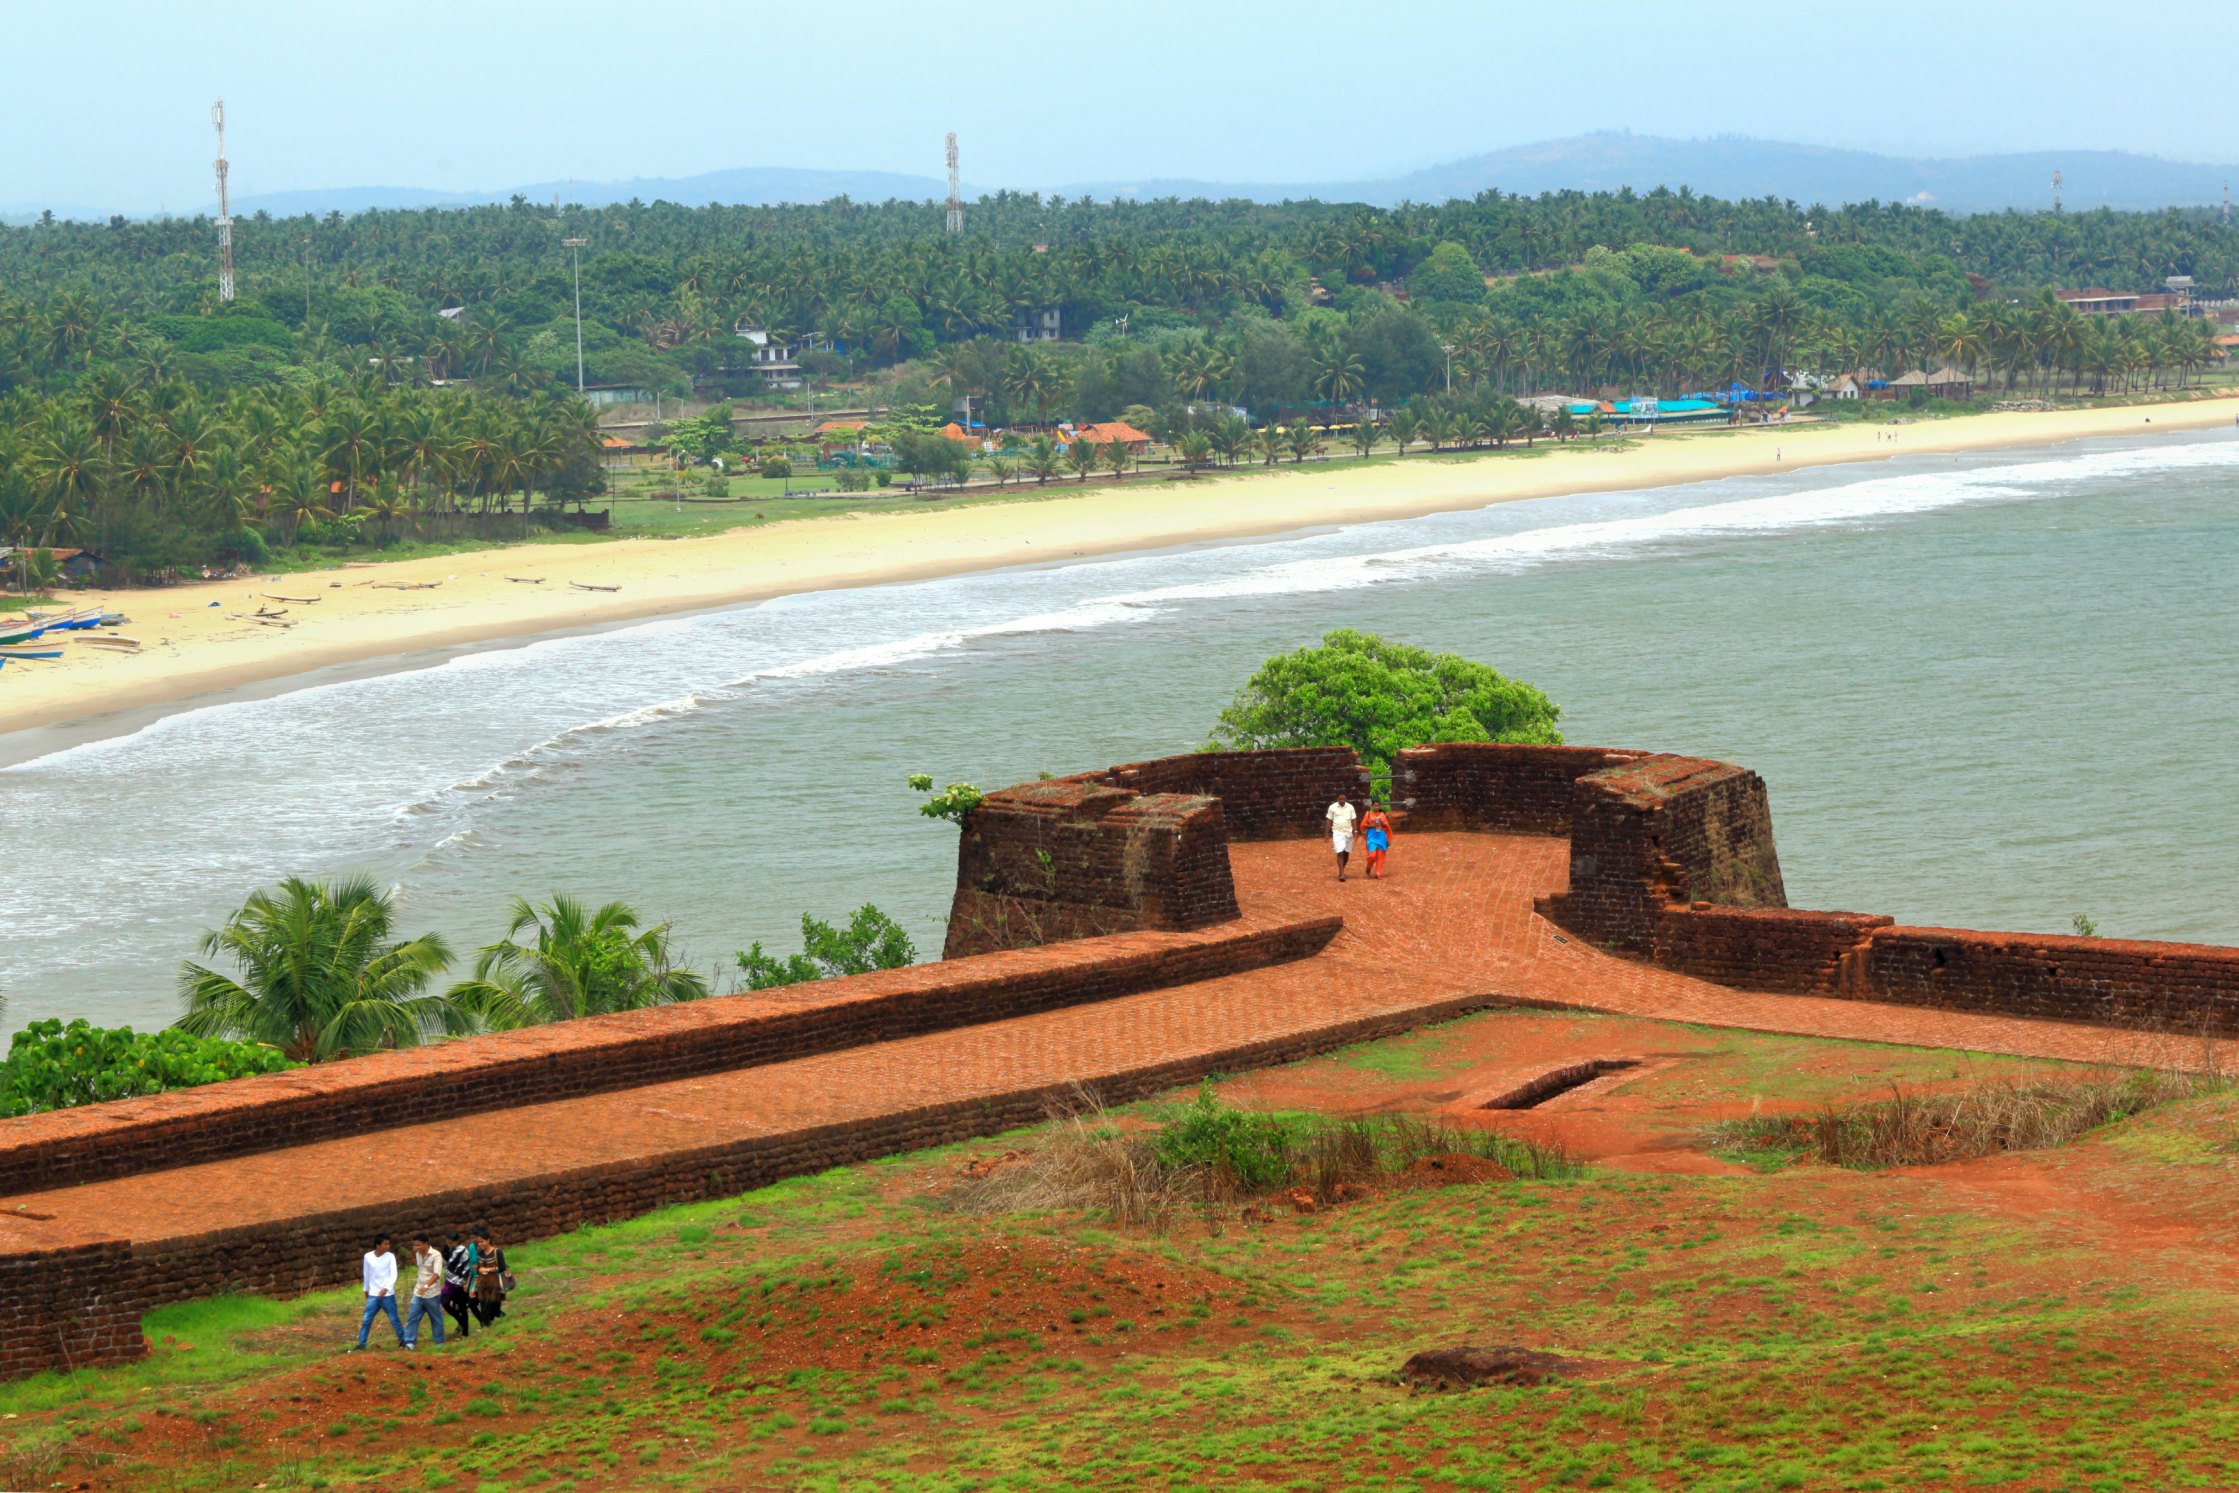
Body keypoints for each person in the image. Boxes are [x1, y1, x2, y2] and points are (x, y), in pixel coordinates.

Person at [353, 1236, 406, 1351]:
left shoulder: (390, 1256)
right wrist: (366, 1289)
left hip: (387, 1295)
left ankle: (403, 1340)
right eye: (385, 1244)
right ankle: (361, 1344)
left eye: (388, 1244)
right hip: (373, 1294)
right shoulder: (368, 1257)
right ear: (378, 1245)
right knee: (366, 1320)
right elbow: (366, 1274)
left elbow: (394, 1275)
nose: (387, 1246)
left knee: (394, 1319)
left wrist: (386, 1288)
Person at [402, 1235, 447, 1349]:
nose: (416, 1248)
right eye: (415, 1245)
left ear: (426, 1243)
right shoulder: (418, 1254)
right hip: (418, 1292)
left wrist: (427, 1286)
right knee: (412, 1317)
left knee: (435, 1318)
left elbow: (437, 1274)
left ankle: (439, 1343)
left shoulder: (436, 1255)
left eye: (419, 1245)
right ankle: (409, 1343)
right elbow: (421, 1270)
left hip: (431, 1293)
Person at [440, 1232, 477, 1340]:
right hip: (450, 1282)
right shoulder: (447, 1249)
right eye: (448, 1242)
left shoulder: (463, 1251)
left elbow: (467, 1266)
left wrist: (465, 1281)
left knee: (462, 1306)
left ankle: (465, 1332)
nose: (449, 1244)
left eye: (451, 1242)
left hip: (460, 1282)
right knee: (445, 1302)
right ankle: (461, 1321)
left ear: (456, 1241)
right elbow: (447, 1264)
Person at [471, 1228, 511, 1328]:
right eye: (479, 1242)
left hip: (495, 1285)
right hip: (483, 1285)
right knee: (484, 1310)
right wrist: (473, 1287)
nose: (480, 1244)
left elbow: (502, 1267)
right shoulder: (480, 1254)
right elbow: (478, 1272)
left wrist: (488, 1269)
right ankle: (487, 1328)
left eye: (482, 1241)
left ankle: (500, 1319)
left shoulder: (497, 1252)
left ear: (488, 1240)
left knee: (493, 1309)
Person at [1325, 791, 1358, 882]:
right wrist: (1327, 833)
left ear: (1346, 799)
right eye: (1340, 799)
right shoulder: (1332, 807)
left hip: (1348, 832)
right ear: (1337, 799)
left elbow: (1354, 819)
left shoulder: (1350, 807)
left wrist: (1355, 831)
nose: (1342, 800)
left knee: (1346, 853)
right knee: (1340, 852)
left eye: (1343, 799)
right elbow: (1329, 820)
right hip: (1337, 832)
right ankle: (1342, 874)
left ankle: (1341, 869)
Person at [1361, 802, 1393, 879]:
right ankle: (1369, 865)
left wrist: (1382, 823)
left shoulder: (1382, 815)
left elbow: (1387, 826)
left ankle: (1378, 873)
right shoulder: (1368, 814)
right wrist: (1371, 825)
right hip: (1372, 836)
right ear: (1372, 806)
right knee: (1372, 855)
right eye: (1375, 806)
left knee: (1380, 855)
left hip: (1381, 836)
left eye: (1378, 806)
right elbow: (1363, 824)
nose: (1376, 807)